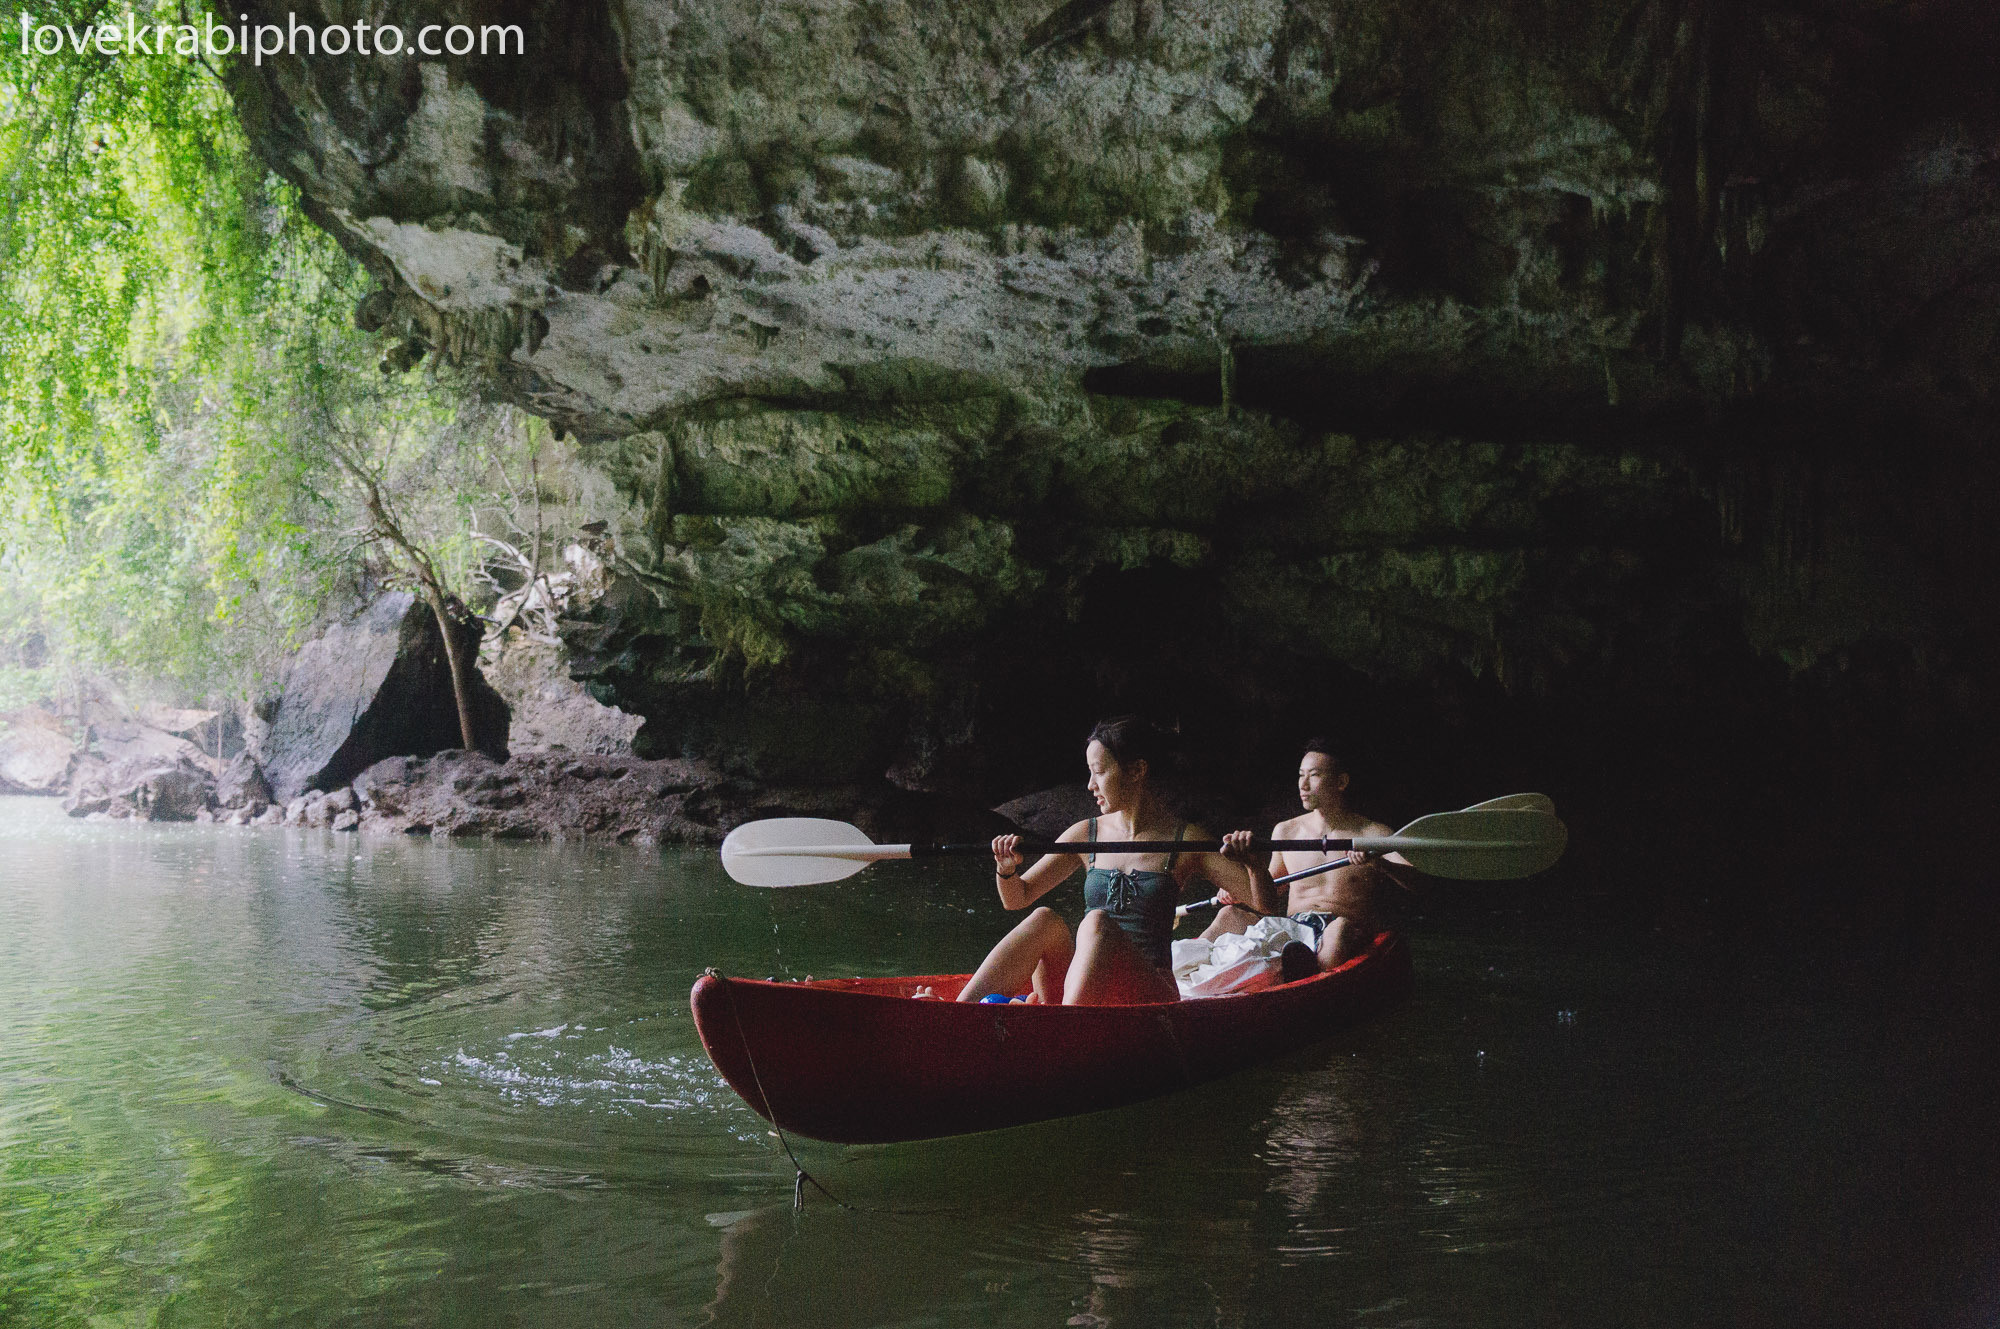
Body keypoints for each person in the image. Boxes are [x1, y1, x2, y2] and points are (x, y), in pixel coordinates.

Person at [946, 716, 1251, 1006]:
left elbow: (1263, 903)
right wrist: (1006, 870)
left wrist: (1252, 865)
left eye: (1099, 771)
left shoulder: (1186, 840)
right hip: (1087, 989)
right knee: (1044, 919)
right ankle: (961, 1013)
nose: (1090, 785)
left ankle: (1066, 1025)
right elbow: (1017, 898)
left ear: (1137, 770)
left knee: (1096, 922)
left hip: (1151, 993)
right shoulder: (1086, 833)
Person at [1204, 739, 1415, 976]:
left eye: (1314, 775)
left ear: (1341, 782)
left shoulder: (1373, 835)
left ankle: (1309, 977)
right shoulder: (1286, 831)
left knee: (1339, 929)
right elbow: (1269, 897)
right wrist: (1244, 880)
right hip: (1295, 928)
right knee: (1228, 916)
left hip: (1344, 931)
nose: (1303, 785)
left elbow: (1418, 882)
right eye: (1300, 775)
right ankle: (1181, 975)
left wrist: (1380, 863)